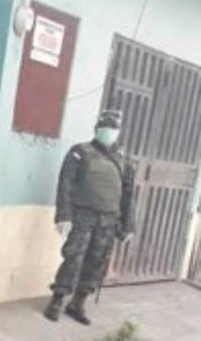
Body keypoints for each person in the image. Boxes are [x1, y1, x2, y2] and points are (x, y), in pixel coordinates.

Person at [44, 110, 136, 324]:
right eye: (105, 128)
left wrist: (128, 225)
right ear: (96, 129)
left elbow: (129, 194)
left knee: (97, 262)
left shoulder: (124, 161)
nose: (108, 132)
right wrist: (64, 216)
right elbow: (65, 184)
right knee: (74, 257)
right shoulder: (80, 152)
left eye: (112, 129)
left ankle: (78, 303)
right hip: (83, 216)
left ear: (118, 132)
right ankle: (57, 300)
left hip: (109, 220)